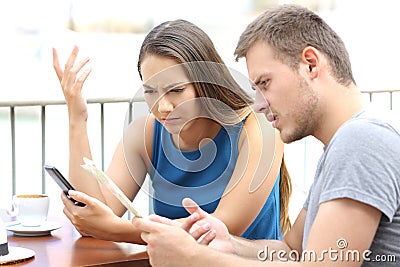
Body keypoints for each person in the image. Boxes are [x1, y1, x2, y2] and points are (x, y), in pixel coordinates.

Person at [133, 4, 400, 266]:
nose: (258, 104)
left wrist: (195, 258)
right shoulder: (343, 145)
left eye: (265, 83)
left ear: (310, 64)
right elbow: (291, 250)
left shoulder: (361, 141)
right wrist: (228, 242)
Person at [52, 19, 292, 243]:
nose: (162, 107)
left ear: (205, 83)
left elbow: (221, 230)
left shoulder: (259, 126)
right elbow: (96, 213)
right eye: (150, 91)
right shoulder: (146, 133)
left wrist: (115, 229)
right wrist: (77, 117)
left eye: (176, 90)